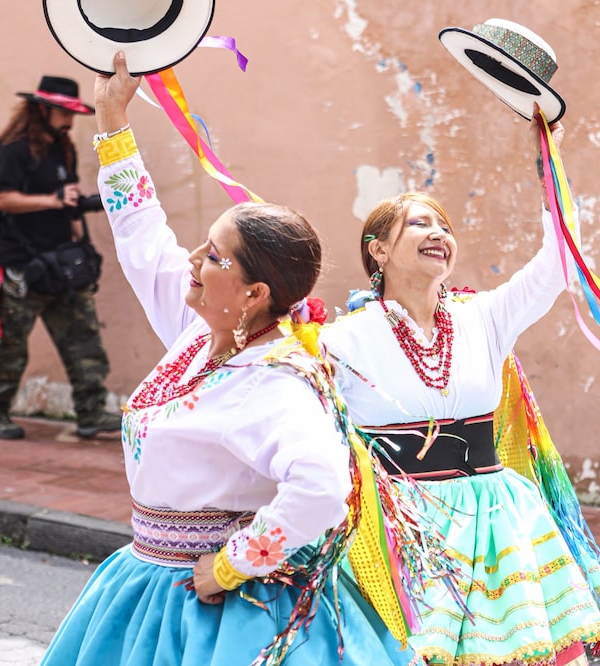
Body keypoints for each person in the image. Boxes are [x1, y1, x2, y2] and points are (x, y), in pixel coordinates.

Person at [41, 51, 421, 666]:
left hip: (221, 612)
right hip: (148, 582)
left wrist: (230, 565)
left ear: (254, 293)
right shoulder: (198, 334)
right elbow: (140, 234)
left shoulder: (274, 380)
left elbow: (323, 487)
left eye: (215, 256)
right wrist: (112, 119)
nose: (194, 260)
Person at [320, 106, 600, 665]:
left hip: (498, 522)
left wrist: (550, 171)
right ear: (378, 250)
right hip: (402, 529)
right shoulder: (341, 340)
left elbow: (559, 262)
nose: (438, 233)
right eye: (419, 224)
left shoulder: (483, 317)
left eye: (445, 227)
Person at [0, 75, 120, 440]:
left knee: (84, 339)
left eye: (72, 113)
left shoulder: (62, 148)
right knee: (11, 346)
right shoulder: (15, 149)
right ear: (42, 110)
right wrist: (52, 201)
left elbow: (67, 201)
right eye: (63, 112)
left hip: (62, 264)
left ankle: (91, 411)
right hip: (22, 265)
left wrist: (82, 244)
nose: (69, 120)